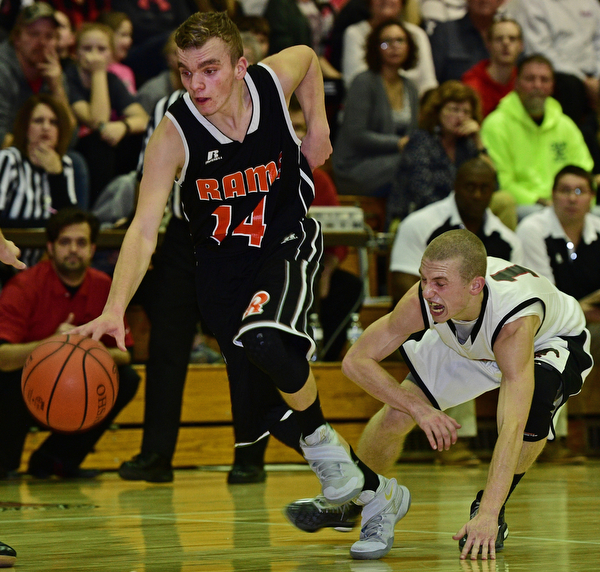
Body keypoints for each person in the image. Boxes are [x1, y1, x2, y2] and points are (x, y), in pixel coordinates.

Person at [72, 12, 407, 561]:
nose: (197, 85)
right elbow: (141, 228)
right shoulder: (174, 133)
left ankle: (333, 468)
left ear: (240, 66)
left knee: (264, 339)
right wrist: (115, 307)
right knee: (267, 413)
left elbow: (308, 54)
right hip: (220, 276)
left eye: (209, 70)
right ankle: (375, 495)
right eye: (185, 72)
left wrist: (317, 126)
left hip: (285, 244)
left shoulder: (272, 84)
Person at [286, 228, 593, 560]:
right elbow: (356, 361)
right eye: (424, 278)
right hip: (468, 340)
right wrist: (420, 410)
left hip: (546, 342)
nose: (428, 292)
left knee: (533, 408)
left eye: (439, 284)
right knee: (396, 413)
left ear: (475, 285)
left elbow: (511, 427)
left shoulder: (514, 324)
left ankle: (491, 507)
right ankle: (357, 497)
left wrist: (488, 511)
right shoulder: (428, 297)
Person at [389, 157, 523, 465]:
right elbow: (403, 287)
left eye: (483, 188)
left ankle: (543, 439)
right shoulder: (421, 225)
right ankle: (455, 443)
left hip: (494, 328)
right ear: (455, 187)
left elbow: (520, 295)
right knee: (456, 347)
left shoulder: (507, 239)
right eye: (469, 187)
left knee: (542, 350)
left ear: (492, 192)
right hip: (430, 324)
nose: (476, 195)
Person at [0, 208, 140, 480]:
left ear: (93, 248)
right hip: (25, 393)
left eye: (81, 242)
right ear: (50, 248)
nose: (73, 250)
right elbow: (2, 355)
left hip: (74, 393)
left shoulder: (104, 287)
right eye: (65, 242)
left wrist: (85, 347)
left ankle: (55, 461)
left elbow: (127, 354)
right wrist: (53, 344)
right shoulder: (24, 286)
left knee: (126, 379)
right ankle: (5, 463)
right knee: (7, 379)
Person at [516, 165, 600, 463]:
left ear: (591, 197)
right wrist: (584, 307)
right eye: (564, 190)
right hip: (542, 321)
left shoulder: (598, 229)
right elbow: (545, 295)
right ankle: (550, 437)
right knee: (559, 344)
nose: (572, 198)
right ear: (552, 196)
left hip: (588, 319)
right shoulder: (533, 230)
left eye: (580, 191)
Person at [481, 54, 594, 213]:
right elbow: (502, 183)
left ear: (552, 86)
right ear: (516, 84)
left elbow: (584, 172)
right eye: (530, 79)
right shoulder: (496, 125)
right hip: (525, 207)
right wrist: (540, 202)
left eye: (544, 80)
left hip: (566, 204)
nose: (537, 85)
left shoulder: (565, 125)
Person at [508, 0, 600, 173]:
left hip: (592, 75)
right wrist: (583, 79)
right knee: (570, 86)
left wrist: (597, 77)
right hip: (562, 76)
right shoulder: (532, 4)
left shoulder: (591, 4)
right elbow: (541, 50)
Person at [332, 18, 419, 197]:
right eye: (386, 42)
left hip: (394, 161)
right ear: (375, 48)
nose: (394, 46)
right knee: (414, 163)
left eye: (400, 40)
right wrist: (398, 143)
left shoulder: (410, 87)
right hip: (355, 166)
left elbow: (413, 134)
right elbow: (357, 135)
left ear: (409, 46)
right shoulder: (363, 82)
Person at [65, 22, 148, 206]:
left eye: (101, 49)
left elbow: (143, 119)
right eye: (87, 48)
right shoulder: (69, 77)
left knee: (136, 141)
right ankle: (97, 212)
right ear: (75, 53)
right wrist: (98, 73)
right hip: (76, 147)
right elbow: (97, 120)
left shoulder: (113, 80)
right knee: (99, 143)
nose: (94, 55)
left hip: (104, 143)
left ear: (111, 55)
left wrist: (122, 126)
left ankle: (131, 206)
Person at [385, 80, 488, 225]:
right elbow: (422, 193)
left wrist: (478, 141)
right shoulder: (421, 141)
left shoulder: (467, 146)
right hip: (419, 218)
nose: (460, 117)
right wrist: (461, 213)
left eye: (466, 112)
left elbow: (491, 186)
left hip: (460, 220)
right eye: (454, 109)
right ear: (438, 111)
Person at [0, 94, 79, 268]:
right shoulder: (9, 160)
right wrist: (47, 226)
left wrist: (56, 175)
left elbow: (70, 222)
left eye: (53, 122)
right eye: (38, 121)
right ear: (25, 128)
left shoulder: (64, 165)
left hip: (47, 266)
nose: (46, 127)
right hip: (6, 263)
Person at [0, 2, 76, 148]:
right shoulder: (3, 71)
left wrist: (57, 88)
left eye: (49, 36)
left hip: (34, 152)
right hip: (8, 156)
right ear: (17, 38)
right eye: (34, 34)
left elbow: (69, 139)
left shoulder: (54, 74)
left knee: (75, 161)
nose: (42, 43)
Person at [342, 0, 437, 95]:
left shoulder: (417, 34)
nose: (386, 0)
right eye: (386, 42)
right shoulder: (354, 33)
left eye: (400, 40)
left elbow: (428, 83)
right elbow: (354, 82)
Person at [429, 0, 505, 84]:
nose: (484, 0)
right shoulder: (445, 32)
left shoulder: (509, 35)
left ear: (501, 1)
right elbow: (431, 80)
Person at [461, 17, 522, 118]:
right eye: (499, 39)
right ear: (488, 44)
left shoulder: (525, 82)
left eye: (512, 39)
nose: (505, 43)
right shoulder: (472, 85)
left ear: (521, 45)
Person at [136, 33, 184, 116]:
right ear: (168, 57)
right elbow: (142, 124)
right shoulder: (152, 92)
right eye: (176, 53)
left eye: (186, 52)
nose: (182, 59)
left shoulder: (198, 88)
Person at [96, 11, 137, 94]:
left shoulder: (126, 71)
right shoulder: (95, 69)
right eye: (124, 35)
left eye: (130, 35)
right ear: (107, 35)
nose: (129, 41)